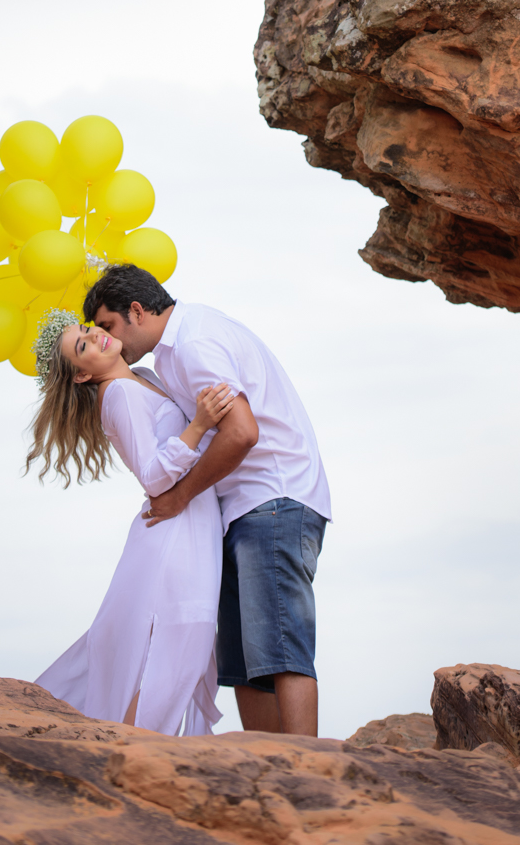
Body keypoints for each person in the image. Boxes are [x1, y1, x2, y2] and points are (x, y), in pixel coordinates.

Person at [84, 264, 331, 737]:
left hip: (272, 498)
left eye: (109, 325)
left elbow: (242, 432)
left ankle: (308, 771)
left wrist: (179, 497)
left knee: (281, 648)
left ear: (136, 311)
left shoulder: (194, 343)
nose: (107, 338)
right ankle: (268, 770)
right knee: (243, 663)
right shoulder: (168, 358)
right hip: (239, 510)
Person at [28, 307, 234, 735]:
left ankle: (126, 750)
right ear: (82, 375)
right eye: (82, 346)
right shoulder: (118, 394)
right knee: (174, 648)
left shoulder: (145, 377)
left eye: (86, 330)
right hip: (172, 532)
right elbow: (154, 475)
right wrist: (198, 425)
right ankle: (127, 754)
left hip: (193, 522)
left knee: (180, 649)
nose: (95, 337)